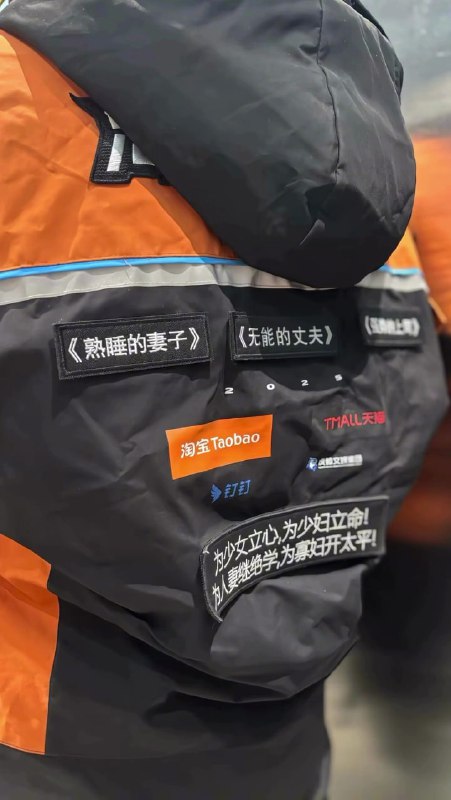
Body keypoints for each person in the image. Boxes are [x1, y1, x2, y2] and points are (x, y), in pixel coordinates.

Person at [0, 2, 447, 798]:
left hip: (43, 724)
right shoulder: (375, 147)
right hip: (286, 718)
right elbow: (406, 394)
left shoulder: (16, 103)